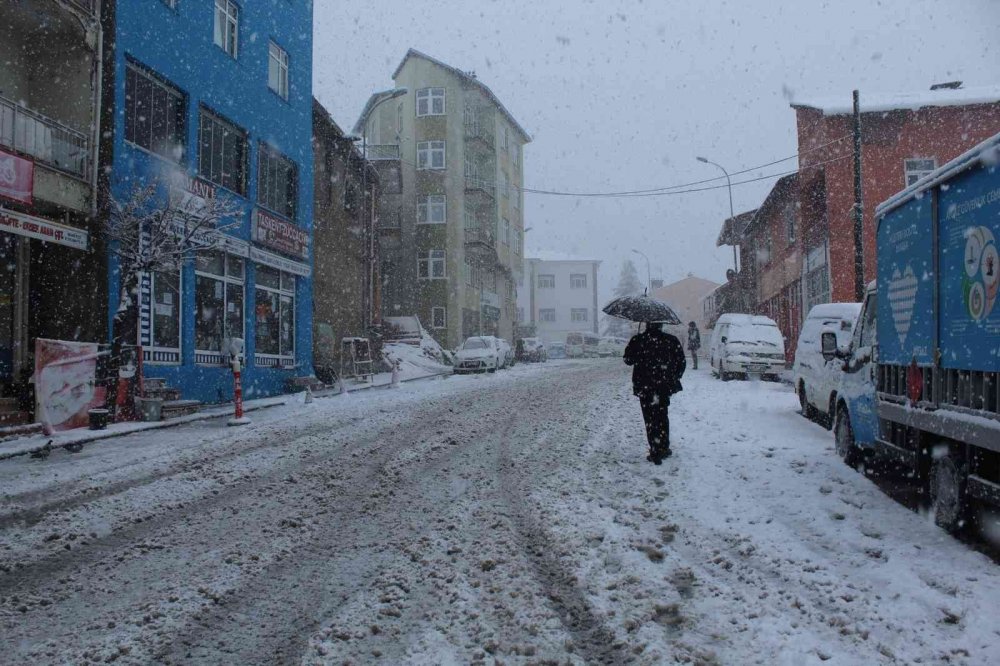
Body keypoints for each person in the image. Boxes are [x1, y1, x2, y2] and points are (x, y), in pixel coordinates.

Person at [623, 322, 686, 464]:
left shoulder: (638, 340)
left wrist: (635, 345)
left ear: (646, 324)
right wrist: (673, 377)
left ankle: (655, 449)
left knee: (650, 418)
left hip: (644, 387)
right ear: (661, 325)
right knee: (662, 415)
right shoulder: (671, 340)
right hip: (663, 386)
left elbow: (628, 360)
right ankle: (664, 446)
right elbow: (681, 362)